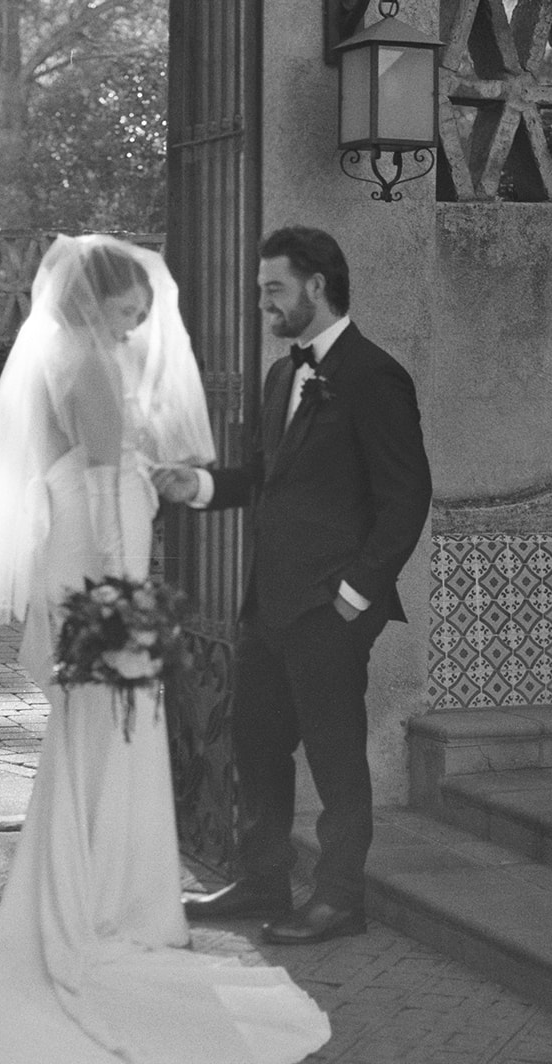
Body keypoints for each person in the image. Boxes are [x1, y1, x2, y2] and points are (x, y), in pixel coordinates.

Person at [0, 235, 330, 1064]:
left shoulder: (75, 358)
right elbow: (99, 488)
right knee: (106, 737)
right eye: (131, 312)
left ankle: (95, 898)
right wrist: (129, 592)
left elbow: (106, 469)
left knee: (93, 740)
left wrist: (145, 488)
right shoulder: (88, 364)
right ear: (98, 302)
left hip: (87, 567)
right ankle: (103, 909)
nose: (139, 329)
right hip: (101, 572)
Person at [153, 226, 432, 946]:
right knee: (256, 746)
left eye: (272, 289)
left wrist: (354, 598)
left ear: (315, 286)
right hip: (267, 605)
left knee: (335, 757)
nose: (261, 303)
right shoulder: (281, 376)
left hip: (329, 611)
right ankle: (262, 880)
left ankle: (340, 898)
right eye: (259, 290)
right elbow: (262, 479)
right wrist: (200, 484)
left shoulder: (375, 376)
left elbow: (405, 498)